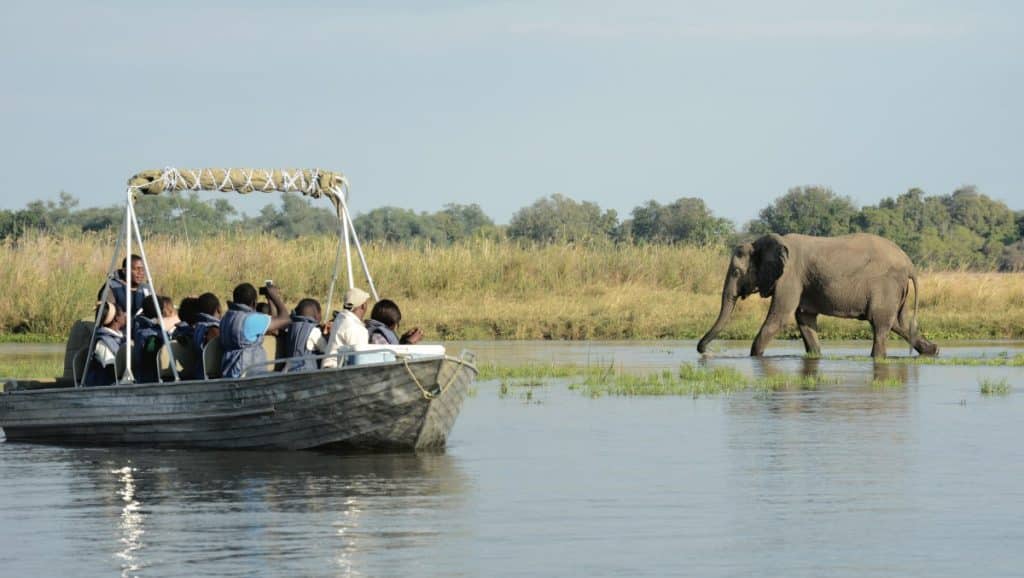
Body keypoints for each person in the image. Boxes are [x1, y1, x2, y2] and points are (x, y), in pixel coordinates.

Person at [219, 282, 290, 378]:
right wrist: (274, 296)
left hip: (229, 370)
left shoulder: (227, 318)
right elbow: (286, 320)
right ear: (254, 303)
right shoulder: (251, 319)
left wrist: (270, 301)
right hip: (249, 373)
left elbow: (273, 327)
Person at [321, 288, 371, 369]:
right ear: (363, 305)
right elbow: (360, 359)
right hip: (337, 371)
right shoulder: (355, 328)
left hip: (328, 367)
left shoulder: (340, 319)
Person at [131, 295, 172, 383]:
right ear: (161, 311)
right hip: (150, 380)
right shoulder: (151, 335)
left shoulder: (140, 331)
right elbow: (150, 361)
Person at [83, 302, 126, 386]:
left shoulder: (120, 337)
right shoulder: (102, 342)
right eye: (122, 313)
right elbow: (111, 369)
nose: (125, 315)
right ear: (116, 318)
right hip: (105, 387)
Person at [281, 298, 328, 372]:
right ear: (316, 315)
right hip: (306, 371)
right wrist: (326, 335)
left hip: (288, 369)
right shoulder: (314, 330)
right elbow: (325, 348)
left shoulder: (291, 326)